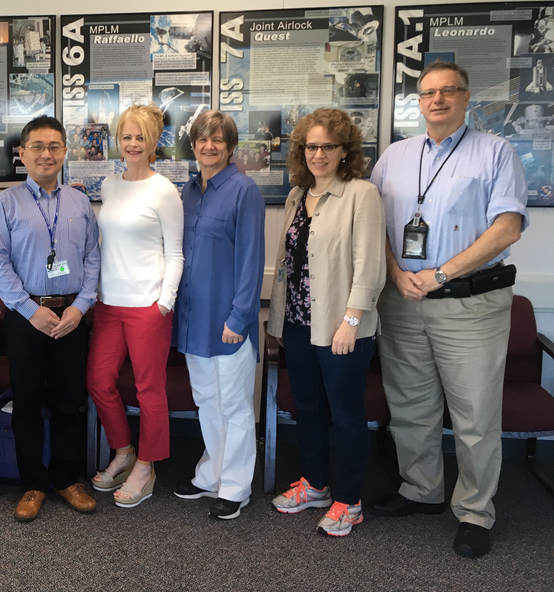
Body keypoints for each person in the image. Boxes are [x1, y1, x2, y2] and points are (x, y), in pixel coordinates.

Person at [370, 60, 528, 558]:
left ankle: (476, 512)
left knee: (475, 414)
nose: (437, 100)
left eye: (448, 91)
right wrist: (395, 274)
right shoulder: (394, 157)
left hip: (469, 303)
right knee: (410, 407)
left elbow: (507, 228)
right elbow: (374, 224)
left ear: (465, 98)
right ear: (418, 102)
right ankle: (421, 490)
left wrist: (441, 274)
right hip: (402, 300)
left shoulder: (495, 151)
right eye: (428, 93)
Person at [267, 108, 386, 537]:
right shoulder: (299, 195)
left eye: (328, 146)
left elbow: (370, 266)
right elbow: (287, 264)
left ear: (344, 150)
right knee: (308, 408)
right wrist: (277, 323)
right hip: (299, 324)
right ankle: (316, 485)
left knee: (346, 413)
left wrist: (352, 320)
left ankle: (349, 500)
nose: (318, 154)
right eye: (311, 146)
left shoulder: (361, 194)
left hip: (341, 327)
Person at [0, 115, 100, 522]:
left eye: (54, 146)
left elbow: (92, 258)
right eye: (37, 146)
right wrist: (31, 311)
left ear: (65, 152)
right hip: (25, 317)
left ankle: (69, 479)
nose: (46, 154)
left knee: (70, 402)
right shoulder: (6, 203)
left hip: (71, 315)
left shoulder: (79, 201)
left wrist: (80, 307)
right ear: (22, 153)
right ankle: (32, 484)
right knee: (28, 402)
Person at [86, 105, 183, 507]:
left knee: (148, 390)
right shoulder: (109, 185)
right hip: (109, 303)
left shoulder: (164, 190)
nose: (132, 144)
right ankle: (123, 452)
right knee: (98, 380)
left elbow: (175, 253)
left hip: (148, 306)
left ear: (153, 141)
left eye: (140, 137)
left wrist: (164, 303)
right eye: (126, 136)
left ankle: (147, 465)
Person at [172, 111, 265, 520]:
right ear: (192, 144)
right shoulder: (188, 192)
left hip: (228, 321)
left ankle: (236, 485)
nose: (209, 146)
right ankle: (211, 474)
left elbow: (251, 258)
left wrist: (240, 316)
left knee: (235, 406)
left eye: (218, 140)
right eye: (202, 140)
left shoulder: (244, 190)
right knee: (206, 401)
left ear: (230, 146)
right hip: (193, 318)